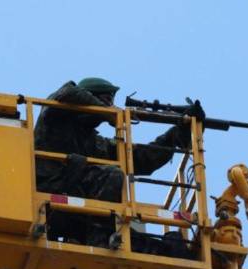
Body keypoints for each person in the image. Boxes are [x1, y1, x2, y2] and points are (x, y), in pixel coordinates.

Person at [34, 77, 205, 251]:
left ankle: (170, 249)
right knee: (112, 175)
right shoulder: (54, 119)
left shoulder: (95, 144)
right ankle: (99, 239)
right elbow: (67, 92)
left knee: (140, 241)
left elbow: (141, 158)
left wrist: (179, 131)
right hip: (47, 194)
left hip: (78, 214)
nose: (110, 107)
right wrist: (106, 111)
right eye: (106, 100)